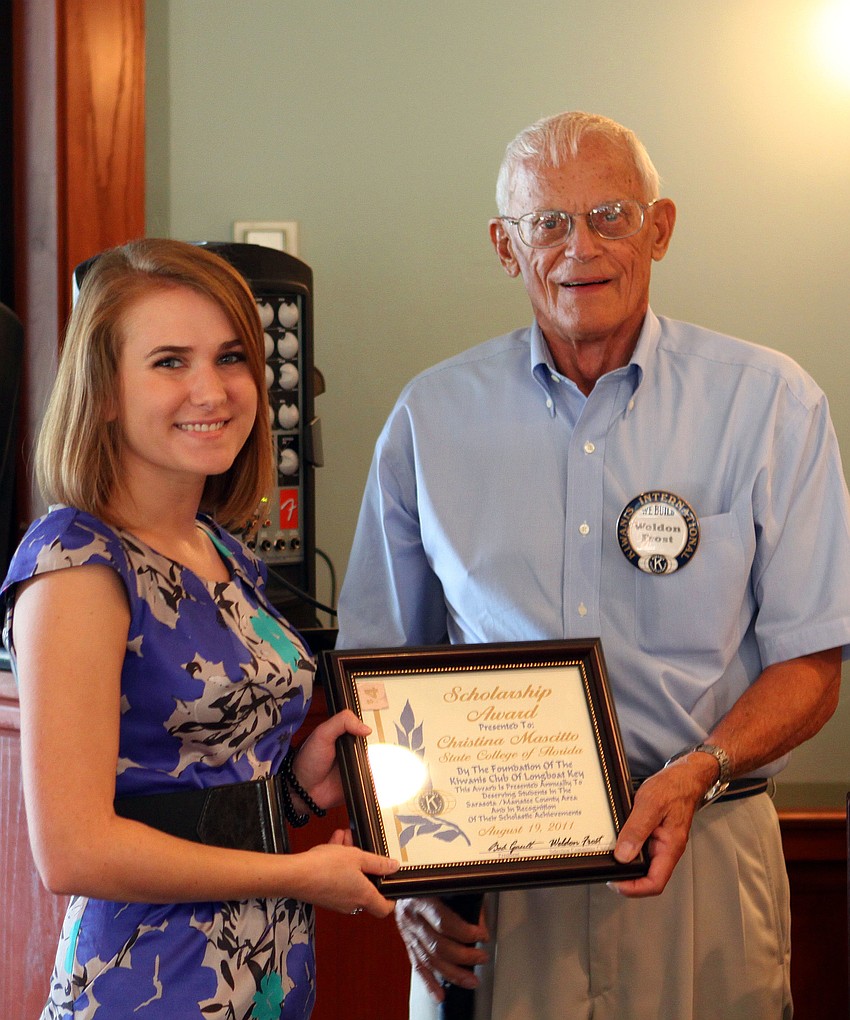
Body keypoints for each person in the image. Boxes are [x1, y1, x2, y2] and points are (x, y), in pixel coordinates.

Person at [335, 111, 850, 1020]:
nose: (583, 247)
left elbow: (813, 666)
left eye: (611, 214)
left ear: (661, 227)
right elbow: (381, 679)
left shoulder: (771, 403)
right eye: (548, 223)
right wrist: (408, 870)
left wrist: (699, 771)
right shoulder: (428, 419)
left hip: (706, 852)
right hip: (493, 888)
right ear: (506, 245)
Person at [0, 238, 399, 1020]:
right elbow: (75, 850)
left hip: (264, 977)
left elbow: (181, 789)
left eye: (230, 358)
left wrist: (289, 790)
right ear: (105, 390)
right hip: (148, 985)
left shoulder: (214, 544)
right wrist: (298, 876)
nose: (211, 390)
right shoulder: (78, 563)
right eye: (170, 362)